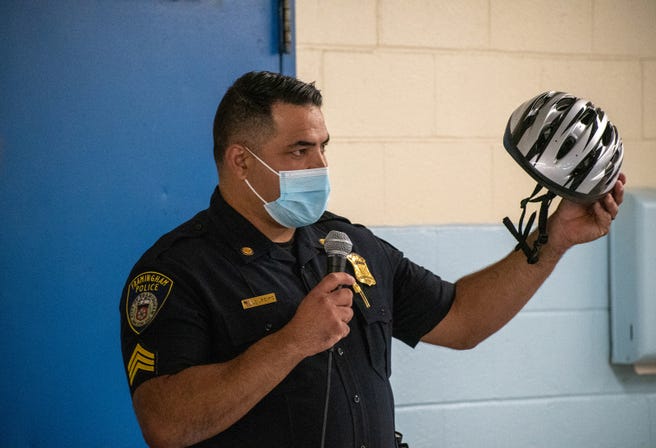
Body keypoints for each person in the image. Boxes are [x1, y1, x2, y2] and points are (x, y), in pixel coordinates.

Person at [120, 71, 625, 448]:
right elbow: (165, 423)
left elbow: (464, 319)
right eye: (299, 150)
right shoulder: (176, 272)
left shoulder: (349, 243)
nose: (320, 165)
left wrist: (552, 240)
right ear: (241, 160)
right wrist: (293, 342)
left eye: (323, 146)